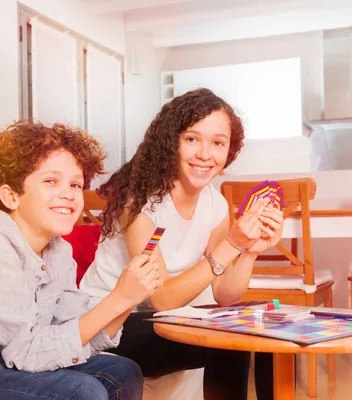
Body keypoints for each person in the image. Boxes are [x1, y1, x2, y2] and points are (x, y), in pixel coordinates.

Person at [0, 121, 161, 400]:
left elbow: (74, 329)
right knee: (83, 391)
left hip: (7, 355)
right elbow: (27, 351)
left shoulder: (59, 250)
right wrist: (118, 298)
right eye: (50, 181)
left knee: (124, 371)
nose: (69, 194)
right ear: (12, 196)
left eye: (75, 184)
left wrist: (130, 297)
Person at [80, 88, 285, 399]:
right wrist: (232, 243)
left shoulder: (215, 205)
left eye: (218, 143)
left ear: (228, 151)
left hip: (164, 318)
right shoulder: (139, 204)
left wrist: (248, 253)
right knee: (226, 340)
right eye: (192, 139)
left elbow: (225, 295)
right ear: (170, 142)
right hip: (112, 321)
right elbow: (162, 299)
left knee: (256, 331)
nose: (205, 154)